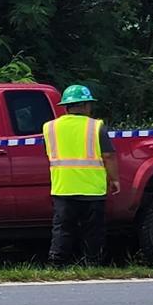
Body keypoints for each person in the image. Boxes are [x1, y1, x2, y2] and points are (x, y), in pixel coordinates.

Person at [42, 84, 111, 265]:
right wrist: (115, 179)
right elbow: (109, 155)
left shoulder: (49, 128)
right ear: (87, 105)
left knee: (62, 229)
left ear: (65, 107)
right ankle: (93, 263)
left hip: (63, 187)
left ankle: (56, 263)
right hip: (92, 189)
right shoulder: (96, 127)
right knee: (93, 230)